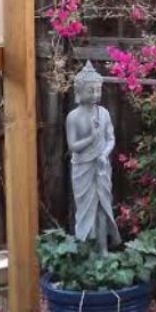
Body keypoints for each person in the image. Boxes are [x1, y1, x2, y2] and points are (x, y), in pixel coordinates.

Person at [65, 61, 121, 252]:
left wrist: (105, 154)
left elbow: (110, 139)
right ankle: (85, 251)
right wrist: (91, 138)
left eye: (98, 90)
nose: (95, 94)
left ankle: (103, 250)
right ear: (80, 91)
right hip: (82, 167)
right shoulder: (73, 117)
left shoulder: (104, 113)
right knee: (84, 212)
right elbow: (73, 146)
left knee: (102, 209)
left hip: (101, 167)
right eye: (91, 90)